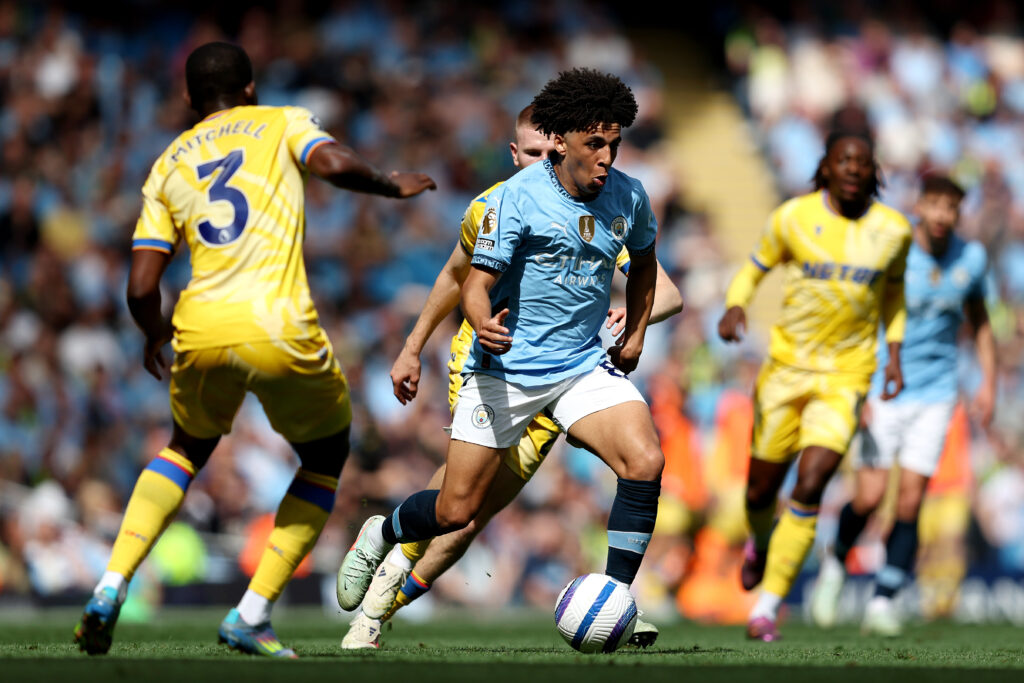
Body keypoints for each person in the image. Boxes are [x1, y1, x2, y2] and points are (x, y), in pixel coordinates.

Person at [72, 42, 435, 658]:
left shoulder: (167, 163)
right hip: (278, 326)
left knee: (185, 449)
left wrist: (154, 335)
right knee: (325, 456)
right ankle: (251, 612)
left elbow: (139, 286)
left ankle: (110, 585)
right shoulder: (282, 121)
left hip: (201, 327)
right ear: (250, 88)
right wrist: (388, 185)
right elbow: (335, 165)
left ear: (189, 100)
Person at [336, 69, 667, 632]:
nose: (607, 157)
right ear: (560, 142)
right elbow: (471, 282)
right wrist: (481, 322)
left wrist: (635, 331)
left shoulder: (629, 195)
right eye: (595, 144)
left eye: (614, 143)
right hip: (506, 372)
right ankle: (383, 531)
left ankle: (614, 601)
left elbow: (644, 265)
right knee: (455, 512)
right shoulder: (515, 199)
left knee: (646, 461)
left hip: (581, 366)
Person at [717, 129, 911, 641]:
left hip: (847, 377)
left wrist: (893, 354)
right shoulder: (793, 217)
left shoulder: (893, 231)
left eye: (862, 162)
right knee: (761, 487)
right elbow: (754, 270)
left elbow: (893, 297)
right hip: (785, 371)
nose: (852, 168)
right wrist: (736, 304)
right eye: (843, 160)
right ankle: (760, 540)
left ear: (874, 173)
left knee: (812, 482)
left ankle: (767, 606)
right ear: (825, 167)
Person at [810, 175, 996, 636]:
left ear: (957, 213)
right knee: (871, 496)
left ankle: (883, 601)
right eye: (932, 204)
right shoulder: (893, 249)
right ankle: (835, 561)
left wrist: (988, 382)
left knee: (912, 500)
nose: (939, 215)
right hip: (883, 388)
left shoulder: (970, 259)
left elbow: (981, 323)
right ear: (920, 205)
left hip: (936, 393)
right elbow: (857, 315)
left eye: (949, 208)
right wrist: (856, 387)